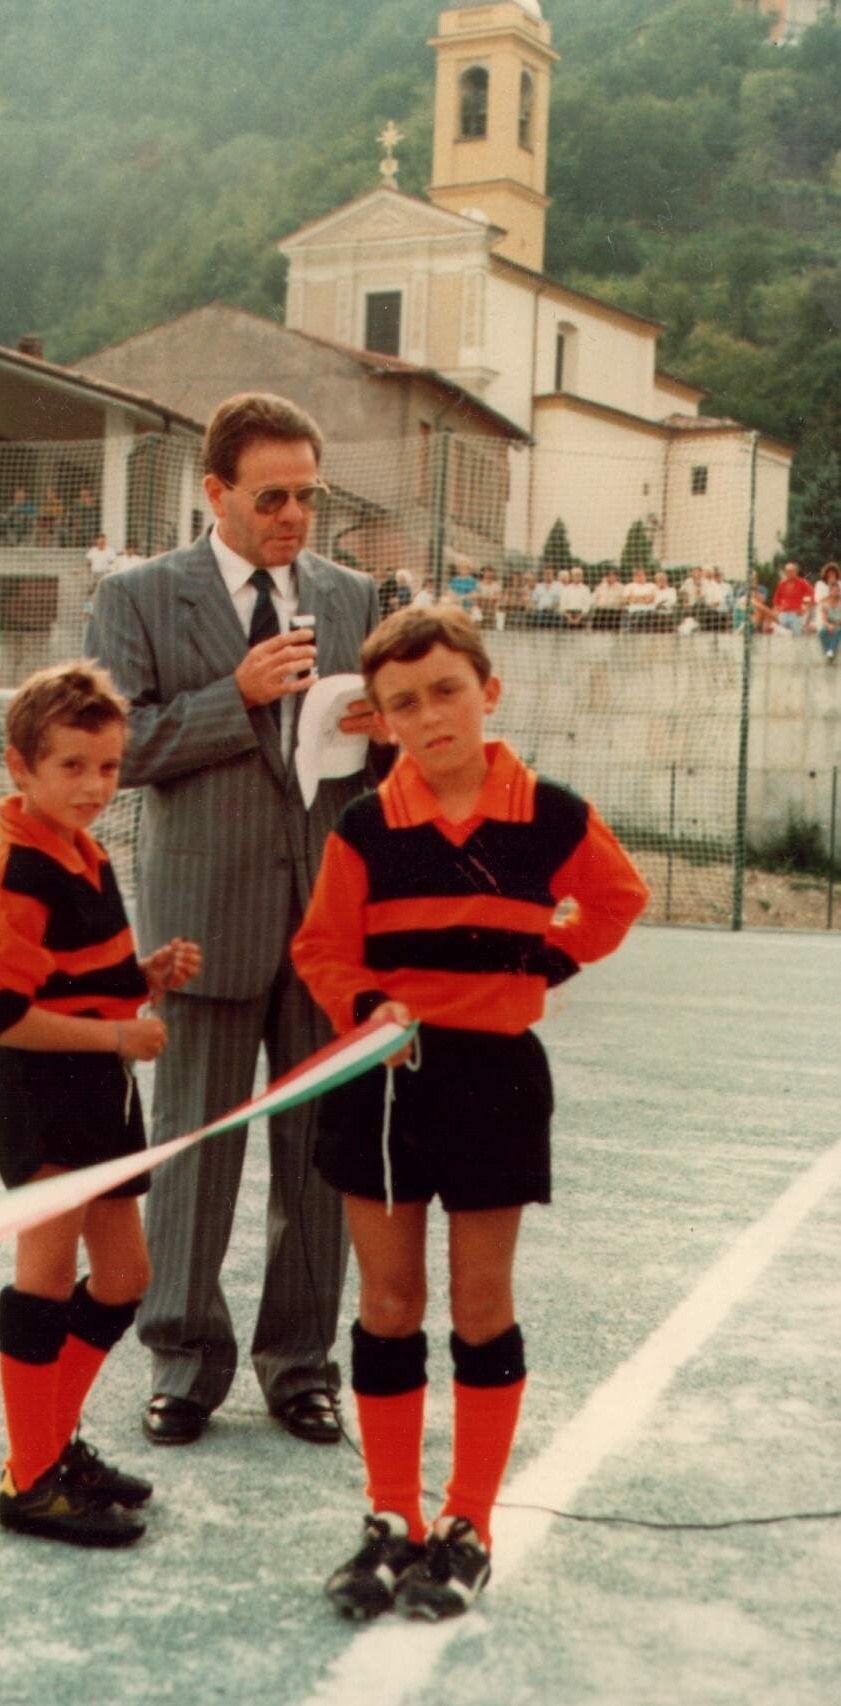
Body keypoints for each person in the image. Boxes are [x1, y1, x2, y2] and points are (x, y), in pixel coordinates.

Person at [291, 603, 648, 1621]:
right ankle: (390, 1518)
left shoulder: (551, 814)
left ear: (487, 693)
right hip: (385, 1088)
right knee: (389, 1304)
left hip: (494, 1081)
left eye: (446, 690)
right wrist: (367, 1012)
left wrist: (547, 959)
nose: (428, 714)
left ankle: (468, 1523)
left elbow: (618, 900)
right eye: (402, 703)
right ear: (381, 722)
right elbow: (322, 948)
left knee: (481, 1306)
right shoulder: (363, 826)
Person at [85, 391, 385, 1448]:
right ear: (213, 492)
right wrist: (239, 696)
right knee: (192, 1150)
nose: (294, 515)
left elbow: (384, 760)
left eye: (309, 495)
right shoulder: (136, 599)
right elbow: (117, 751)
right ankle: (182, 1359)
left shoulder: (354, 595)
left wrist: (381, 730)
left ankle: (300, 1365)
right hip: (202, 922)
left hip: (325, 930)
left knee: (317, 1157)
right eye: (272, 496)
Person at [0, 660, 203, 1547]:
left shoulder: (84, 847)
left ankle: (49, 1444)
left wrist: (142, 980)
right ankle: (31, 1480)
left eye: (107, 767)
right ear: (21, 766)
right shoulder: (19, 872)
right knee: (45, 1277)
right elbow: (4, 1018)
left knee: (126, 1280)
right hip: (42, 1096)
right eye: (71, 766)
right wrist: (115, 1037)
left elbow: (83, 980)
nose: (95, 786)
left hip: (103, 1090)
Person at [772, 561, 814, 634]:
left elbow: (810, 596)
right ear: (785, 572)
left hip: (797, 613)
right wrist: (777, 610)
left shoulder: (802, 583)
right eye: (788, 571)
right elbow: (776, 600)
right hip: (784, 613)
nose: (790, 573)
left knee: (796, 633)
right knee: (776, 629)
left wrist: (803, 608)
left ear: (796, 572)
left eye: (792, 571)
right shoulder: (781, 584)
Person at [589, 568, 625, 632]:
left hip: (614, 611)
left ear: (616, 577)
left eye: (613, 575)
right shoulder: (600, 586)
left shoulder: (621, 587)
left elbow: (623, 601)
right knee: (598, 615)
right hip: (601, 610)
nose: (611, 577)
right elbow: (594, 598)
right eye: (609, 576)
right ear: (606, 577)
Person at [817, 577, 841, 662]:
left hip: (839, 624)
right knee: (821, 633)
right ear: (830, 591)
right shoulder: (825, 604)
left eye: (837, 590)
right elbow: (824, 618)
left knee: (838, 631)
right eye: (833, 590)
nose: (835, 592)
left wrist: (835, 625)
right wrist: (828, 625)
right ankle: (828, 651)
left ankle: (830, 650)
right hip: (829, 623)